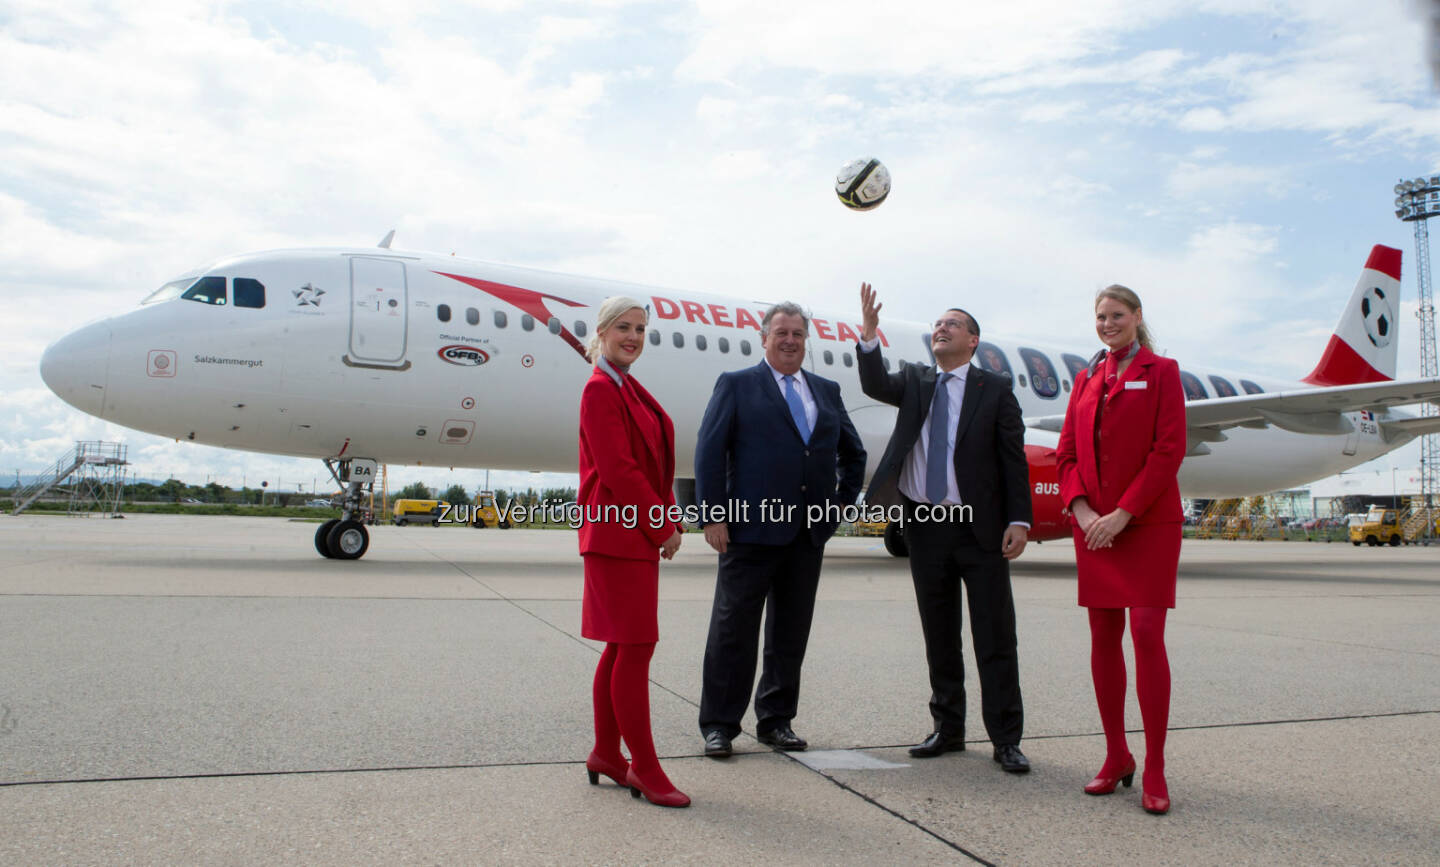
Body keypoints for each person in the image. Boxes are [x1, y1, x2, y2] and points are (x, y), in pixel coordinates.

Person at [855, 283, 1033, 774]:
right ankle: (947, 729)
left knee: (995, 636)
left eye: (953, 324)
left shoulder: (994, 390)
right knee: (940, 634)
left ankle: (1006, 739)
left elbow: (1012, 461)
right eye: (938, 324)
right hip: (926, 525)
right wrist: (869, 336)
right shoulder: (915, 381)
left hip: (981, 529)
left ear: (973, 340)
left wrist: (1019, 519)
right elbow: (874, 384)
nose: (941, 328)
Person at [695, 302, 866, 758]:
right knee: (733, 632)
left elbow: (854, 455)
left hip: (806, 536)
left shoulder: (826, 391)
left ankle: (776, 721)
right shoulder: (736, 385)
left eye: (797, 334)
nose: (789, 340)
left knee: (790, 634)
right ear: (764, 337)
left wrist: (837, 509)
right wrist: (712, 514)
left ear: (805, 341)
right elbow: (709, 452)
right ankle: (719, 725)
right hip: (749, 532)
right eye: (781, 332)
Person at [1055, 284, 1185, 816]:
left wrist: (1123, 514)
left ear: (1136, 317)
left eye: (1117, 315)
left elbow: (1168, 449)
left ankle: (1154, 765)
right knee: (1103, 637)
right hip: (1095, 530)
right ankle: (1116, 755)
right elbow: (1066, 455)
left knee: (1147, 633)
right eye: (1101, 317)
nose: (1108, 324)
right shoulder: (1085, 379)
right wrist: (1084, 513)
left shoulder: (1163, 372)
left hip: (1147, 523)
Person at [576, 296, 688, 808]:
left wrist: (668, 513)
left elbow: (651, 460)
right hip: (619, 534)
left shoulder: (626, 386)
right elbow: (619, 470)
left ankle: (605, 752)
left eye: (641, 329)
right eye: (624, 327)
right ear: (601, 331)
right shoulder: (601, 389)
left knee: (622, 646)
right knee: (636, 648)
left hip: (628, 534)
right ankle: (643, 767)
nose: (634, 337)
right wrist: (660, 523)